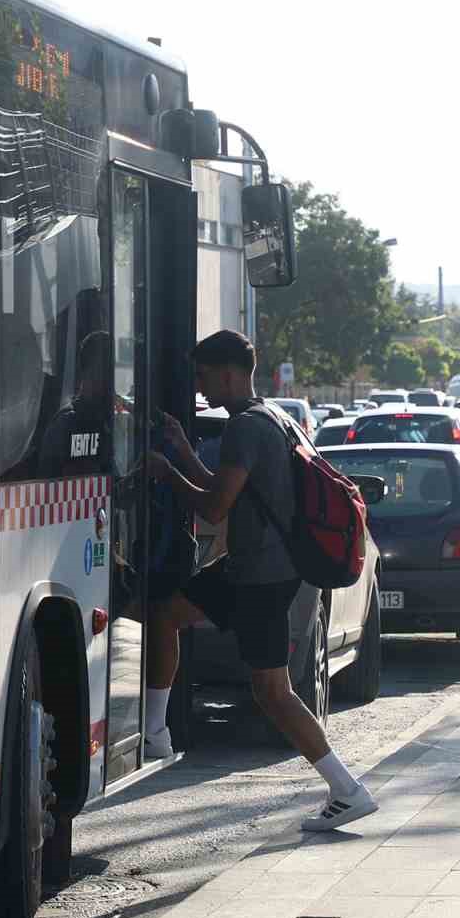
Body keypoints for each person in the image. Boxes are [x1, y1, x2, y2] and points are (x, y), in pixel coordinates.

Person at [142, 330, 378, 831]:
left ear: (229, 373)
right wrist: (184, 451)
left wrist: (164, 474)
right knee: (166, 614)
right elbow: (224, 485)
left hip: (262, 577)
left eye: (204, 377)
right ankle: (155, 733)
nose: (200, 389)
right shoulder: (274, 417)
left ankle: (347, 788)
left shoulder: (245, 429)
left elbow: (213, 506)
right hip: (254, 568)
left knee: (271, 691)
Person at [39, 330, 112, 476]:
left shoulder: (105, 420)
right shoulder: (67, 423)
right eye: (109, 371)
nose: (112, 382)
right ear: (92, 371)